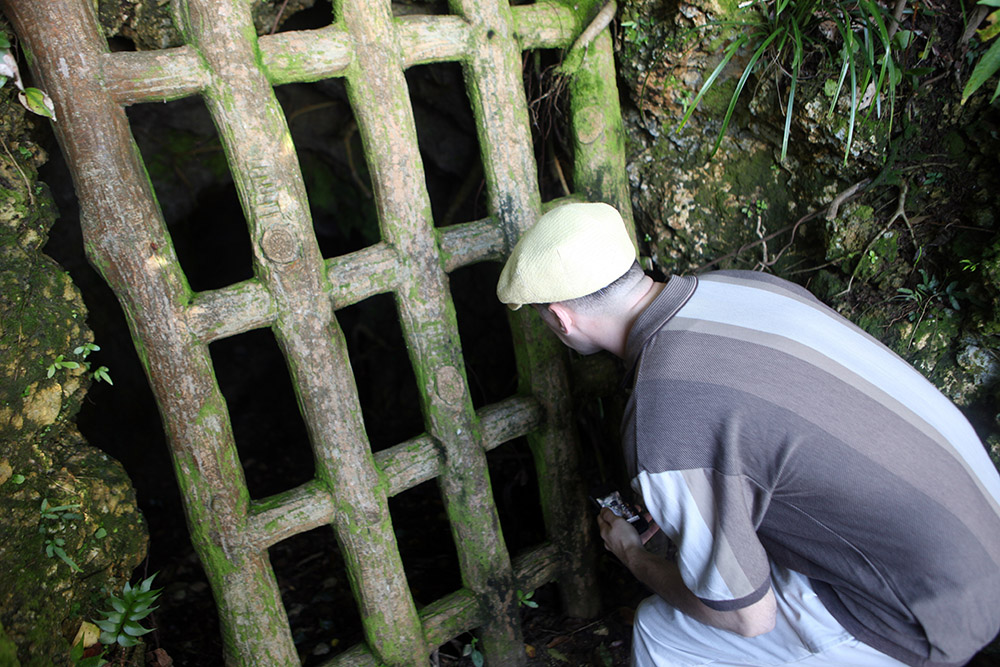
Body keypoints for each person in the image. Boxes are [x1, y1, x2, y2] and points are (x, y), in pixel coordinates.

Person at [496, 201, 1000, 667]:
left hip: (927, 618)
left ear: (561, 319)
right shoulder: (740, 287)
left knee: (657, 630)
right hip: (982, 528)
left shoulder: (662, 421)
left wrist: (633, 556)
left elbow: (748, 619)